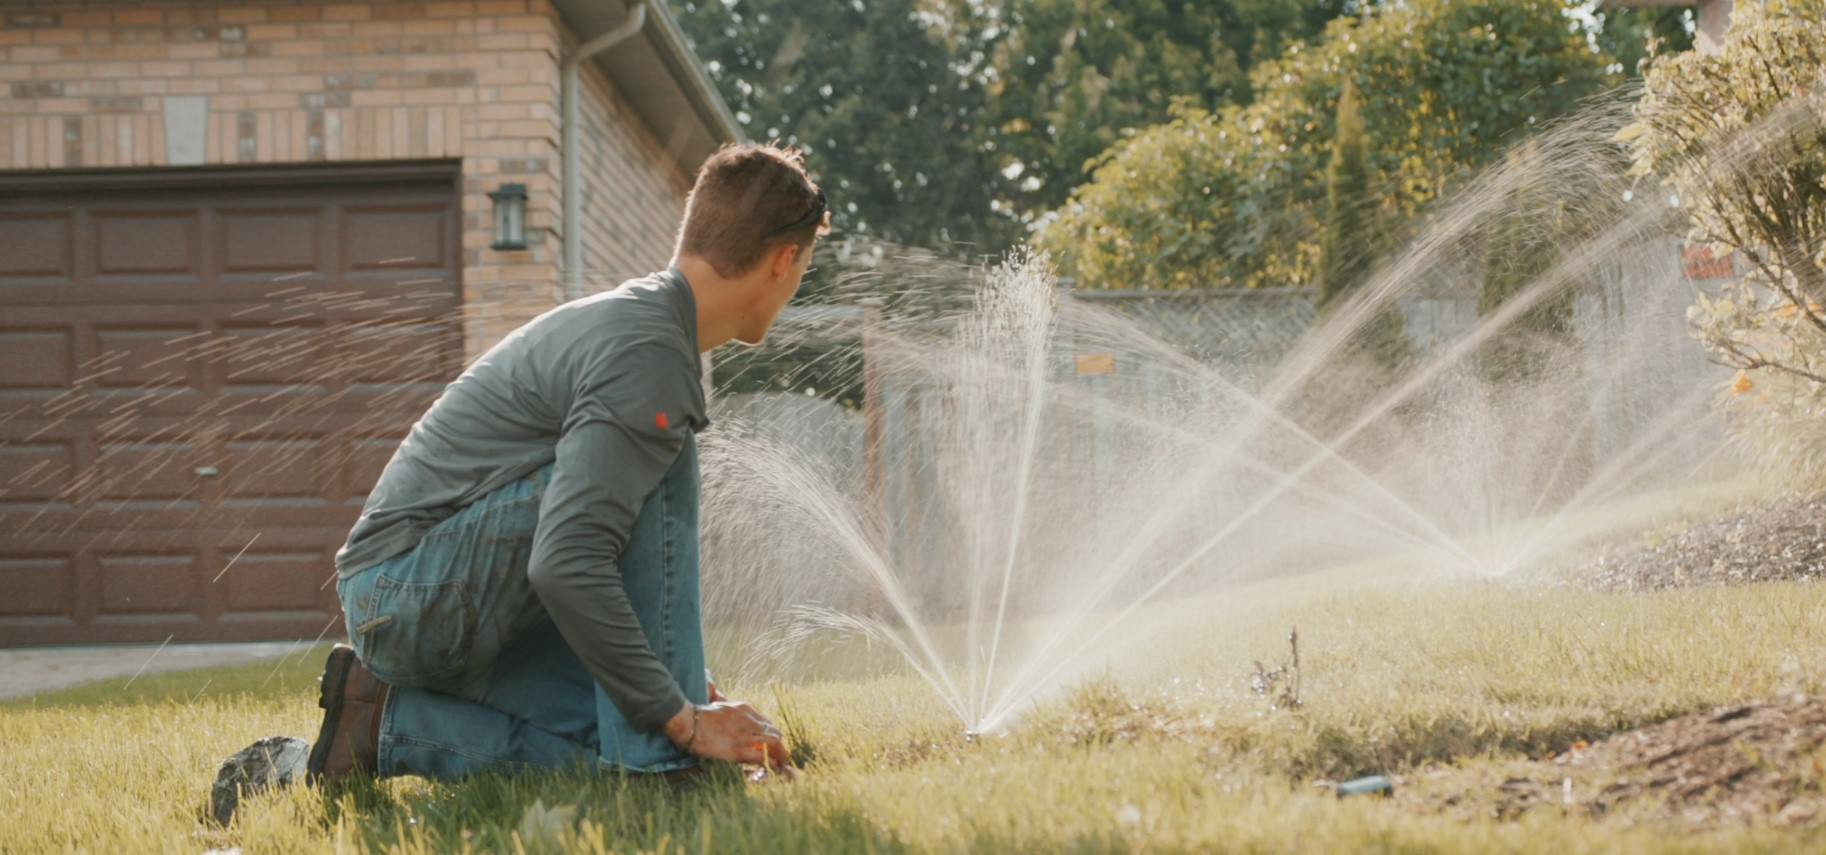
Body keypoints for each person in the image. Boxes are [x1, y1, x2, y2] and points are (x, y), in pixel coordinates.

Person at [209, 143, 828, 823]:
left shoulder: (646, 328)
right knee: (662, 470)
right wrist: (682, 718)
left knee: (609, 735)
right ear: (782, 261)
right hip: (410, 587)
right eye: (803, 268)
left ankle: (370, 724)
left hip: (427, 593)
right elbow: (568, 559)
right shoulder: (648, 356)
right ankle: (663, 766)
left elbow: (585, 547)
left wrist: (676, 694)